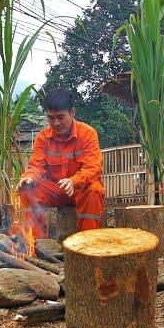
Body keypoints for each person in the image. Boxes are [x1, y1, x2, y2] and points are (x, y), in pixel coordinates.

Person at [16, 87, 105, 238]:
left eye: (60, 117)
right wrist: (29, 177)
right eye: (51, 118)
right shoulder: (42, 138)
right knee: (28, 190)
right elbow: (36, 166)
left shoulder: (88, 134)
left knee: (94, 190)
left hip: (81, 188)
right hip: (57, 190)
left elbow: (93, 168)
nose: (56, 123)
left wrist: (74, 181)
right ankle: (38, 245)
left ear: (72, 113)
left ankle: (89, 245)